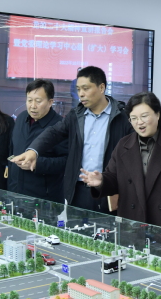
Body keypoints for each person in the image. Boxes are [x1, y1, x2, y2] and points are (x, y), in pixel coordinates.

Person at [79, 91, 161, 235]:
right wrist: (101, 181)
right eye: (133, 118)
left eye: (144, 116)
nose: (139, 122)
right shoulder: (123, 145)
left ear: (158, 114)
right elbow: (113, 178)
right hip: (132, 224)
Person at [12, 66, 133, 212]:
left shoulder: (122, 117)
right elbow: (54, 133)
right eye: (78, 89)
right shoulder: (76, 115)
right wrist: (33, 151)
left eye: (86, 88)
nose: (81, 94)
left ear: (101, 87)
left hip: (107, 190)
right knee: (75, 226)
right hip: (78, 190)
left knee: (107, 227)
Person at [7, 79, 67, 202]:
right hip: (15, 194)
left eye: (38, 101)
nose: (33, 106)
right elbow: (13, 148)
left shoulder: (60, 126)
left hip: (44, 199)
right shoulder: (21, 118)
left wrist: (37, 164)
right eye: (29, 100)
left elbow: (66, 162)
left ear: (50, 102)